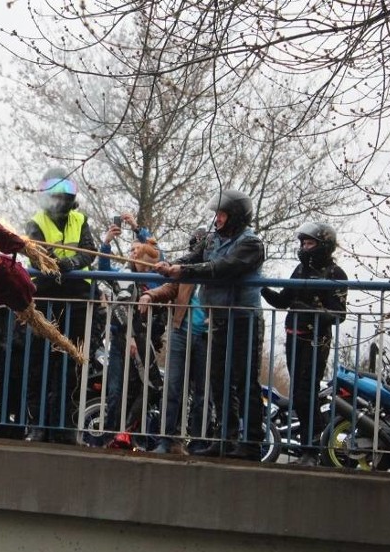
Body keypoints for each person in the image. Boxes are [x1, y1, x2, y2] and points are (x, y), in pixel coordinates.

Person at [153, 189, 265, 460]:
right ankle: (224, 438)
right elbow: (193, 259)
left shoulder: (251, 244)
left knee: (244, 382)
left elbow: (222, 268)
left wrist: (185, 271)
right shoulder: (212, 239)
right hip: (217, 319)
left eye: (222, 215)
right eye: (217, 214)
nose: (217, 220)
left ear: (236, 217)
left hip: (243, 320)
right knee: (219, 381)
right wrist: (171, 265)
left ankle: (250, 442)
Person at [260, 221, 347, 465]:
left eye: (310, 243)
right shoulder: (299, 270)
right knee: (298, 394)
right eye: (303, 243)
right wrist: (259, 285)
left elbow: (339, 315)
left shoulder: (335, 274)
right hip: (293, 337)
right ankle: (311, 443)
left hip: (316, 341)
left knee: (305, 394)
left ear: (324, 245)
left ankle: (312, 449)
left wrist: (309, 311)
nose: (304, 248)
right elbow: (281, 301)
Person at [23, 167, 97, 443]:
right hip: (46, 297)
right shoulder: (36, 221)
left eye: (64, 197)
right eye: (56, 196)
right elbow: (37, 254)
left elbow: (88, 249)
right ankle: (37, 424)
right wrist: (56, 263)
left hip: (76, 298)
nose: (61, 202)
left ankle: (65, 424)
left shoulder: (80, 219)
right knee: (40, 363)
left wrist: (72, 264)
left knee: (72, 363)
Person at [140, 228, 210, 454]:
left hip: (208, 336)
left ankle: (198, 441)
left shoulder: (217, 270)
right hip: (180, 331)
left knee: (202, 392)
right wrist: (150, 294)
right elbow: (171, 287)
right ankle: (168, 439)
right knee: (173, 387)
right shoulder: (186, 271)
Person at [97, 233, 166, 446]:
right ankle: (111, 435)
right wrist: (106, 244)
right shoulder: (125, 276)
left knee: (152, 387)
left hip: (145, 343)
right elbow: (119, 305)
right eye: (146, 265)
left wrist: (142, 233)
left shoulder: (153, 278)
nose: (149, 269)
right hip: (124, 341)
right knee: (116, 391)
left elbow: (164, 262)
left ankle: (126, 432)